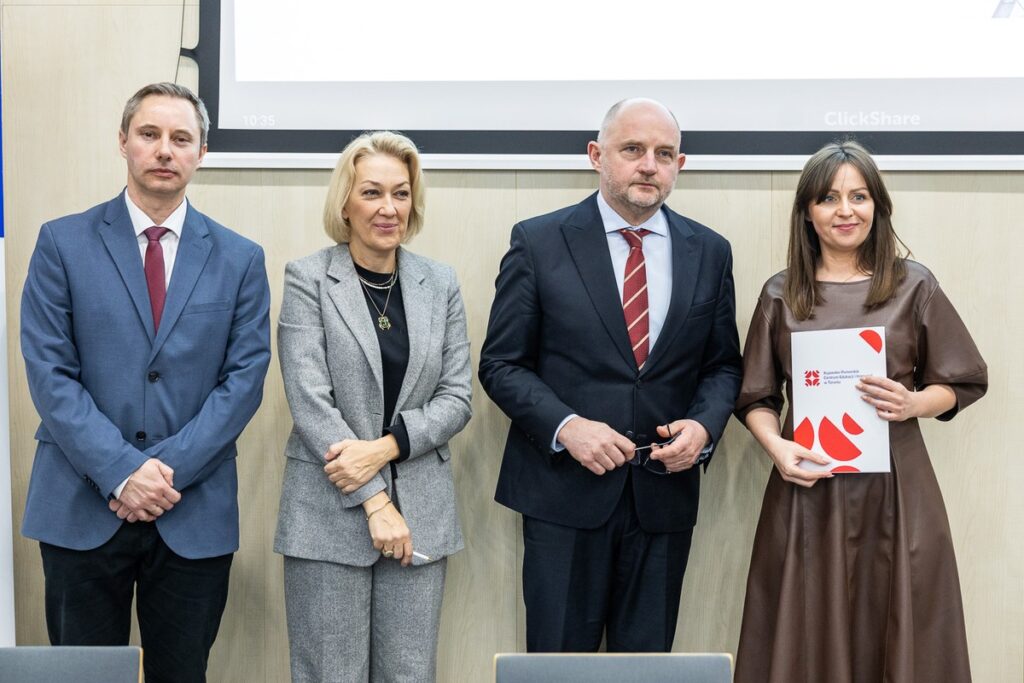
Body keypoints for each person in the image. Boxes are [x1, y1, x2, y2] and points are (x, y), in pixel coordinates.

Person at [19, 82, 271, 682]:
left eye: (181, 139)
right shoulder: (62, 242)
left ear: (201, 153)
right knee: (84, 677)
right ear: (124, 142)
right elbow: (50, 373)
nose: (164, 150)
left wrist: (161, 475)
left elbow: (244, 382)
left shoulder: (240, 258)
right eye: (150, 135)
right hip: (82, 504)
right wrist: (121, 472)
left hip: (192, 507)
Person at [478, 98, 743, 652]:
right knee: (559, 666)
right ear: (597, 156)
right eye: (633, 150)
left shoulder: (710, 252)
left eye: (664, 154)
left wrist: (703, 429)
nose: (649, 165)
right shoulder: (539, 240)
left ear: (680, 165)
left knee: (646, 668)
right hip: (563, 497)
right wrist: (567, 426)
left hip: (663, 499)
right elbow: (501, 364)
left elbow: (721, 366)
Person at [734, 140, 987, 682]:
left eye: (859, 196)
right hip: (806, 488)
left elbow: (963, 380)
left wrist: (915, 401)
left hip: (896, 488)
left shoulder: (913, 284)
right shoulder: (779, 295)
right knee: (802, 628)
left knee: (898, 626)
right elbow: (756, 398)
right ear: (807, 210)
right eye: (829, 198)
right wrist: (776, 446)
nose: (845, 210)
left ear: (879, 206)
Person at [273, 131, 472, 682]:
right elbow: (310, 401)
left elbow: (457, 398)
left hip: (421, 515)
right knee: (328, 674)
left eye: (401, 194)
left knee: (409, 673)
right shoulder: (308, 277)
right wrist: (374, 501)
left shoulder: (441, 283)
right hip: (328, 511)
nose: (389, 208)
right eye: (372, 193)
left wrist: (385, 449)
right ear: (344, 202)